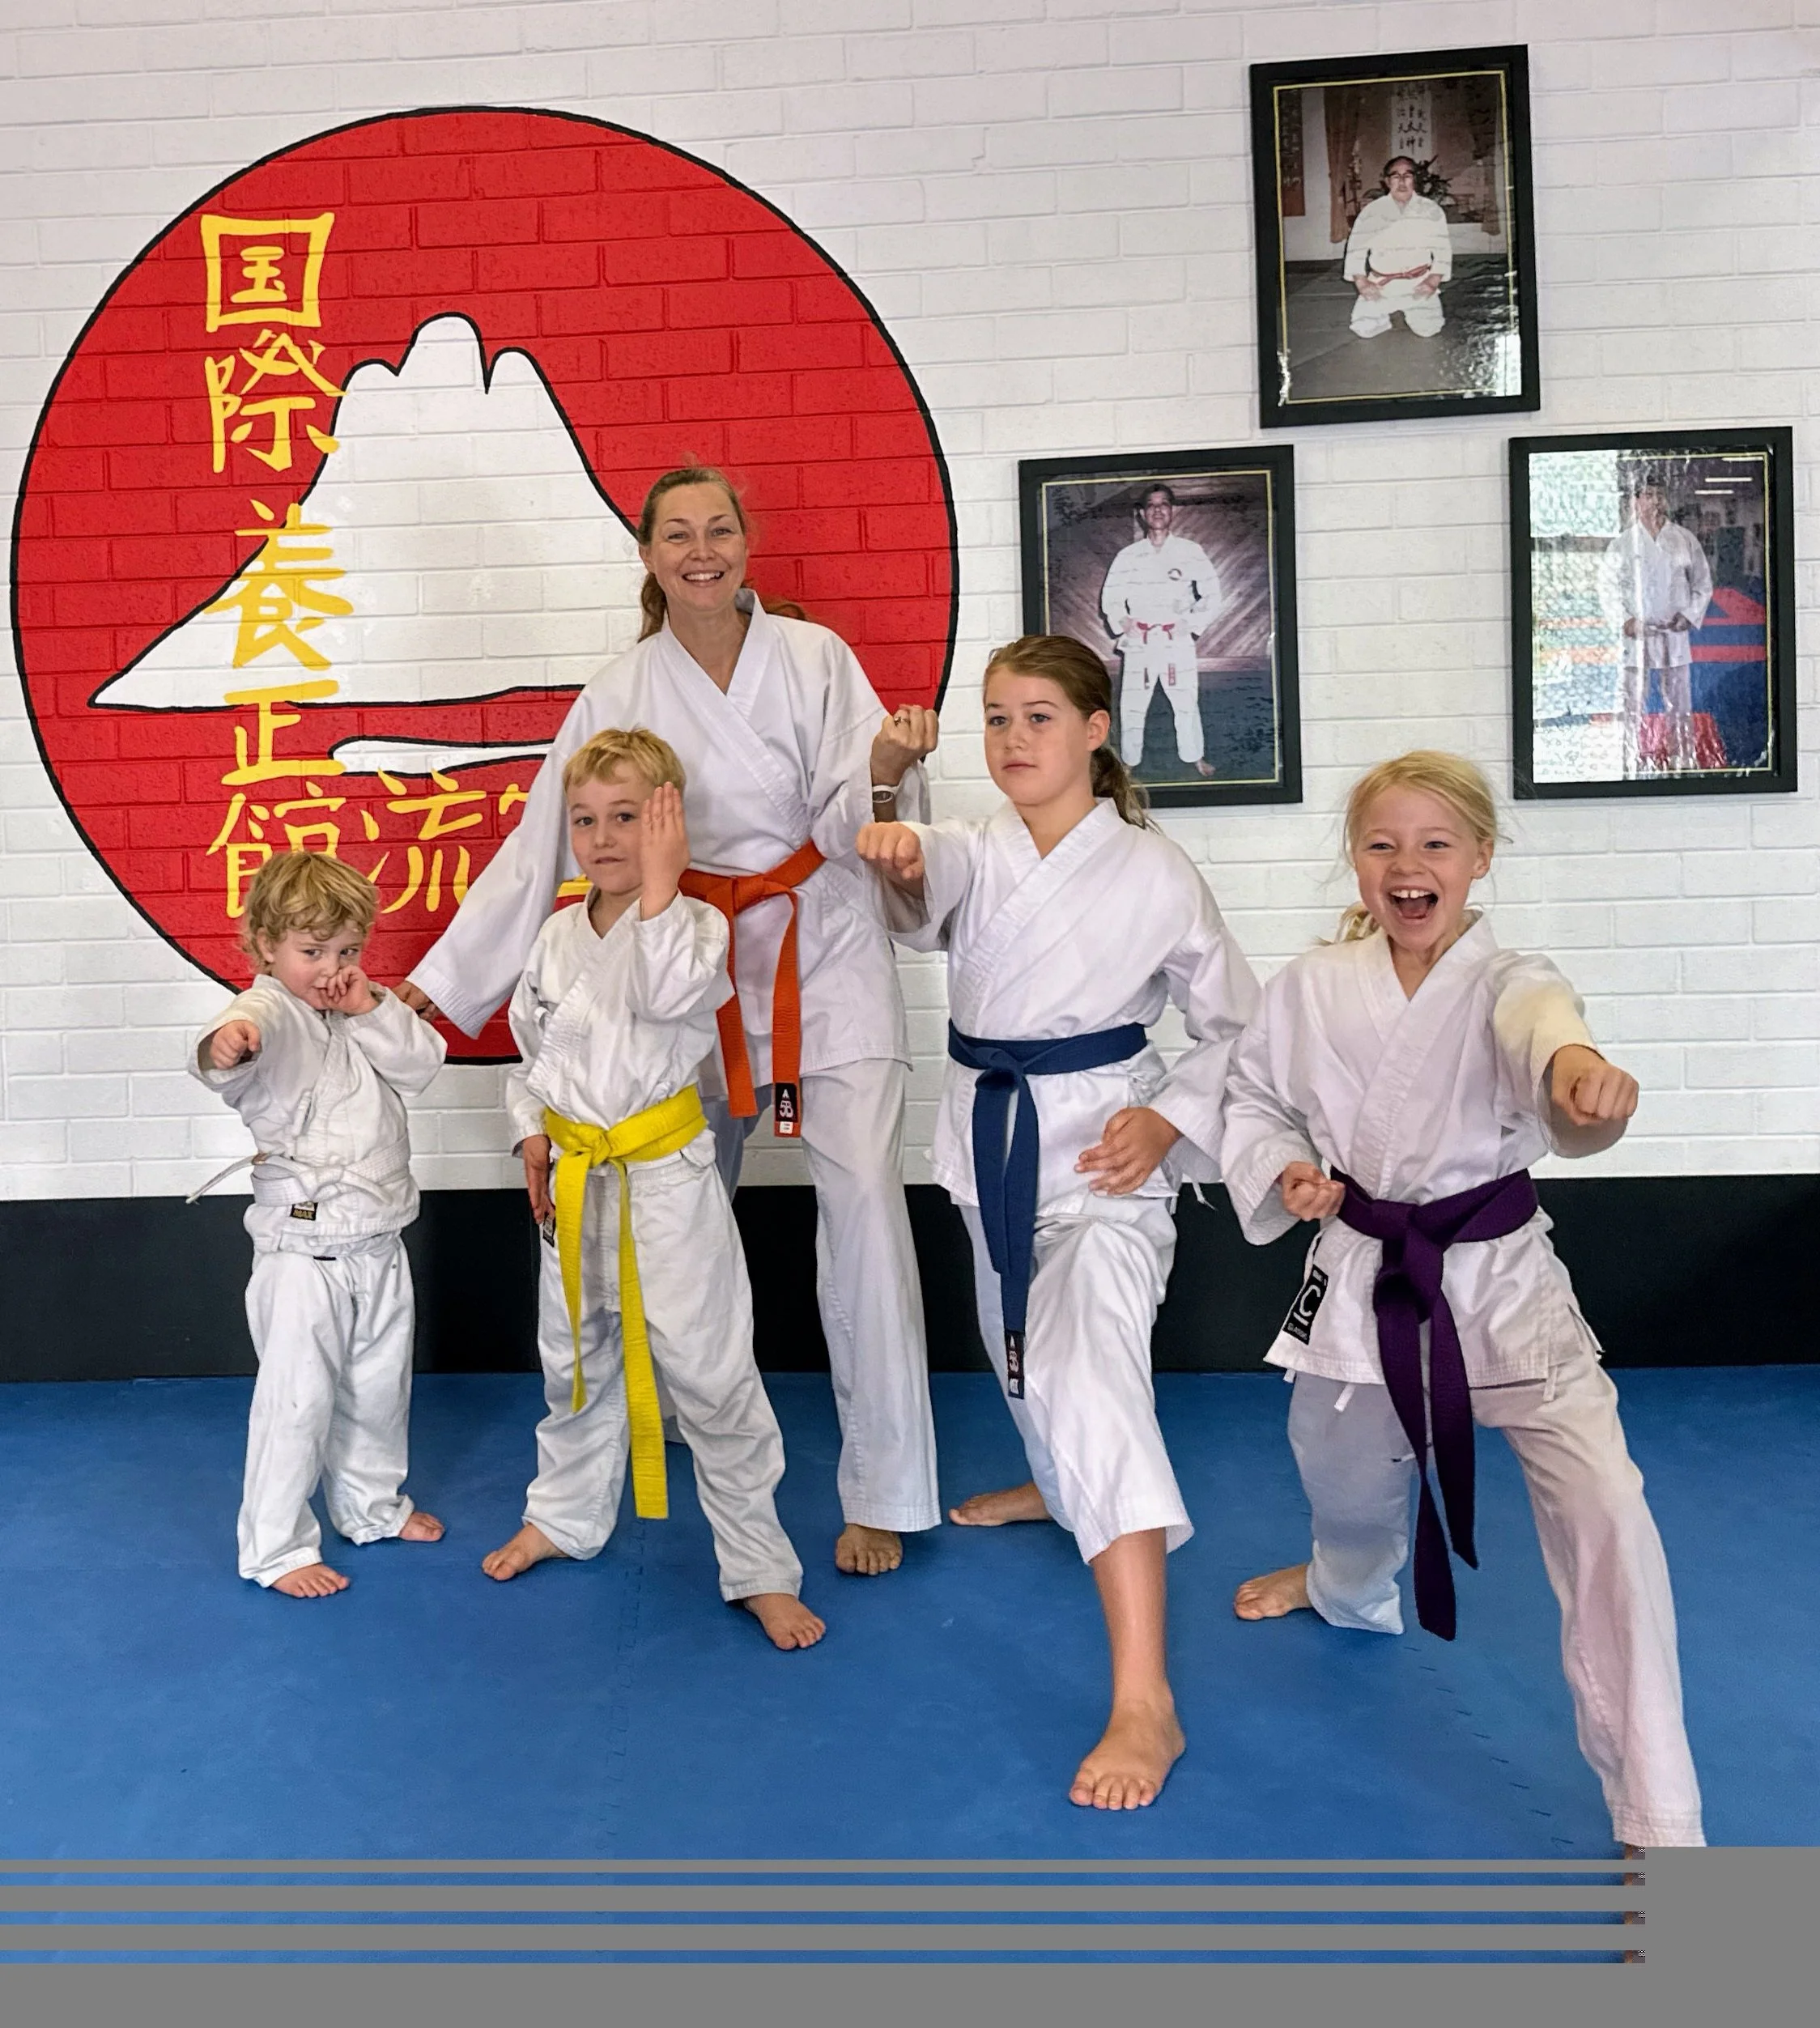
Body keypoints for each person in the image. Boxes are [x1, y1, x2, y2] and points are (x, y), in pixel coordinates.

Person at [400, 467, 940, 1579]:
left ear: (749, 543)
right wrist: (442, 985)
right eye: (678, 536)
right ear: (647, 557)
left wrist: (886, 773)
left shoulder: (816, 657)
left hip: (820, 946)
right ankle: (685, 1402)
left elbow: (856, 814)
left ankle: (885, 1486)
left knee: (867, 1214)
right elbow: (544, 844)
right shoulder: (621, 688)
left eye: (721, 530)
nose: (703, 551)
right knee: (665, 1199)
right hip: (678, 963)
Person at [1224, 750, 1703, 1852]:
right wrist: (1288, 1166)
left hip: (1501, 1287)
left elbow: (1550, 1045)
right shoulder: (1309, 987)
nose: (1408, 866)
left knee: (1612, 1516)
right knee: (1342, 1489)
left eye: (1436, 843)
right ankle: (1345, 1584)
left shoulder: (1512, 979)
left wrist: (1588, 1085)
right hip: (1366, 1275)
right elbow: (1254, 1097)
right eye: (1383, 844)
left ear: (1480, 857)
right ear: (1355, 863)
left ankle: (1663, 1827)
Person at [857, 634, 1257, 1811]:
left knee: (1085, 1378)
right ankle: (1057, 1481)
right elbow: (909, 885)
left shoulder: (1155, 870)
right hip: (989, 1141)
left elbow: (1239, 1028)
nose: (1014, 739)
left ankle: (1147, 1697)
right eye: (994, 719)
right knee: (1023, 1361)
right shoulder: (975, 850)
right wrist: (887, 800)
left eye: (1039, 716)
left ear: (1096, 729)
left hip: (1103, 1164)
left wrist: (1174, 1124)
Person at [480, 729, 822, 1651]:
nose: (602, 837)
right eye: (586, 819)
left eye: (628, 818)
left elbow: (674, 994)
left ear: (669, 822)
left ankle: (758, 1565)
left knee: (709, 1372)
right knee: (574, 1359)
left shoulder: (695, 923)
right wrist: (530, 1136)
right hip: (576, 1176)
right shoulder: (556, 936)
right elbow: (533, 1057)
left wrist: (668, 884)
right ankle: (562, 1515)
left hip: (664, 1181)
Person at [189, 851, 448, 1597]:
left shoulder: (359, 1010)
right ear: (267, 945)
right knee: (297, 1400)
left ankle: (371, 1506)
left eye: (346, 950)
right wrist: (228, 1043)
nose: (331, 968)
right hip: (302, 1250)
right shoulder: (268, 1010)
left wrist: (369, 1004)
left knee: (377, 1388)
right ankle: (276, 1547)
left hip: (378, 1240)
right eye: (311, 952)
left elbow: (422, 1062)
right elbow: (224, 1048)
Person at [1098, 485, 1222, 776]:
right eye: (1150, 505)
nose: (1157, 510)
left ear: (1172, 511)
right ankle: (1129, 760)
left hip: (1174, 638)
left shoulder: (1190, 552)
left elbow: (1212, 594)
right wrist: (1122, 620)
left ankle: (1195, 756)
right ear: (1142, 514)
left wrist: (1189, 624)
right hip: (1139, 639)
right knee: (1132, 703)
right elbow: (1111, 596)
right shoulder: (1128, 556)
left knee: (1186, 700)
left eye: (1163, 504)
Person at [1597, 474, 1715, 776]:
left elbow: (1702, 583)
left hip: (1673, 631)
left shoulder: (1684, 538)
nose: (1655, 502)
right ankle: (1627, 758)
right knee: (1630, 703)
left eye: (1659, 495)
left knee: (1679, 703)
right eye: (1648, 495)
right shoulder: (1623, 543)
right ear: (1635, 502)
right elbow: (1607, 587)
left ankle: (1682, 757)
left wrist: (1688, 615)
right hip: (1636, 635)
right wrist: (1625, 621)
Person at [1343, 157, 1452, 340]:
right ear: (1387, 181)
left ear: (1414, 180)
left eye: (1407, 176)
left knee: (1429, 329)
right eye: (1396, 176)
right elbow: (1356, 250)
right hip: (1382, 284)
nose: (1402, 181)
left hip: (1418, 283)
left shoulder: (1431, 210)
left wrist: (1433, 281)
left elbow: (1443, 250)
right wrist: (1362, 283)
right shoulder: (1372, 212)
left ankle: (1414, 312)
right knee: (1363, 329)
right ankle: (1385, 313)